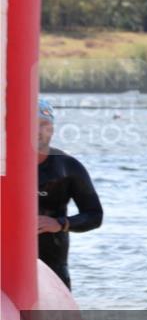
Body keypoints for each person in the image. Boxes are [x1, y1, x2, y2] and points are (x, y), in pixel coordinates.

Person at [36, 99, 103, 290]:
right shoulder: (4, 166)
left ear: (53, 129)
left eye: (44, 124)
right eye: (31, 124)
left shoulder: (68, 167)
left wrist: (60, 224)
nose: (38, 130)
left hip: (54, 267)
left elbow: (95, 215)